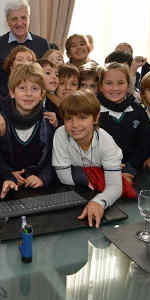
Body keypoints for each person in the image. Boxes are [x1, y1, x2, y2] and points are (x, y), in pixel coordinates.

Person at [52, 90, 123, 228]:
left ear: (96, 118)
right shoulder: (60, 134)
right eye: (69, 118)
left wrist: (99, 202)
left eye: (82, 118)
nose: (75, 125)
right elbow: (64, 177)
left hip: (98, 195)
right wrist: (91, 175)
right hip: (73, 195)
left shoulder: (106, 142)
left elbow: (115, 187)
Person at [0, 64, 56, 189]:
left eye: (34, 89)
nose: (28, 94)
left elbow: (53, 159)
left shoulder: (48, 122)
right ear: (12, 92)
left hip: (37, 186)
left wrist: (43, 177)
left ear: (42, 94)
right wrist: (6, 175)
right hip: (6, 186)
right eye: (22, 88)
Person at [96, 63, 146, 193]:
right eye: (109, 83)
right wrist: (108, 166)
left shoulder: (137, 110)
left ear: (128, 85)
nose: (115, 88)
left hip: (131, 170)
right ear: (100, 86)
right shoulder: (92, 109)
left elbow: (144, 144)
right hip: (99, 169)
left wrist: (130, 170)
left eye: (120, 83)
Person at [0, 0, 50, 94]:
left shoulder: (42, 44)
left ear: (29, 19)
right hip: (4, 103)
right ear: (8, 21)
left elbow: (47, 76)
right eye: (14, 19)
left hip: (35, 101)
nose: (19, 23)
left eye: (23, 18)